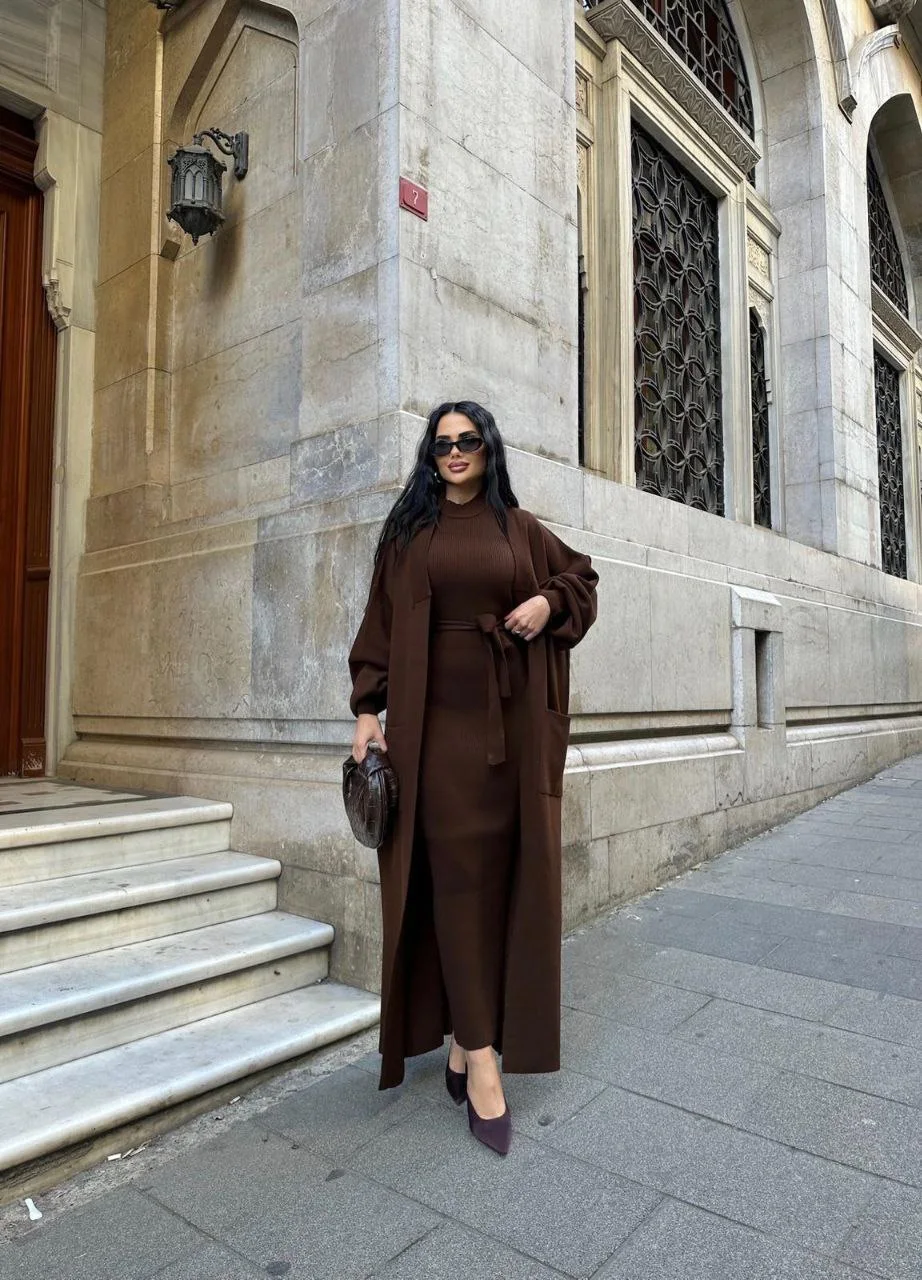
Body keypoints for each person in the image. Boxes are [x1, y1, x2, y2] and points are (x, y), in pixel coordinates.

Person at [348, 400, 598, 1156]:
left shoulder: (519, 529)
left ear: (489, 448)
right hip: (432, 737)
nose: (455, 452)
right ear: (430, 456)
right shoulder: (408, 535)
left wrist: (545, 602)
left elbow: (582, 579)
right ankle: (484, 1058)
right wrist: (366, 712)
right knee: (454, 884)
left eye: (468, 440)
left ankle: (464, 1038)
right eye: (442, 443)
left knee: (496, 886)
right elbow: (378, 624)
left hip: (512, 734)